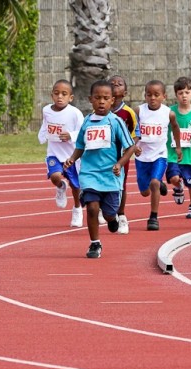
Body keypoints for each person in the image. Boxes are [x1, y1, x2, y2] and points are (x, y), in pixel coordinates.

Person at [63, 80, 135, 258]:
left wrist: (119, 164)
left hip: (110, 176)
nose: (101, 102)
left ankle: (113, 218)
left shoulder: (116, 122)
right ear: (90, 99)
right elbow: (80, 146)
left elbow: (130, 147)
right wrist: (72, 158)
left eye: (105, 98)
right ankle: (95, 243)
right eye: (97, 98)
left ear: (112, 100)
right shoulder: (87, 122)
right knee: (92, 208)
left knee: (109, 214)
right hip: (89, 173)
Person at [134, 80, 182, 231]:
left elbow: (175, 128)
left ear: (164, 96)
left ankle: (153, 218)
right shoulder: (139, 111)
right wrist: (133, 146)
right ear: (145, 96)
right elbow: (130, 129)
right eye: (149, 95)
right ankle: (160, 184)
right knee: (144, 192)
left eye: (156, 95)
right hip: (142, 156)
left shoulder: (168, 113)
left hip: (159, 155)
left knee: (154, 183)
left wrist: (178, 147)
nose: (152, 98)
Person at [37, 79, 85, 227]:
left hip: (71, 156)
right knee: (55, 176)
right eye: (56, 93)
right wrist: (42, 135)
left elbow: (83, 131)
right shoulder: (46, 110)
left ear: (70, 97)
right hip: (54, 153)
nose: (60, 97)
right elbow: (46, 125)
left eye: (64, 94)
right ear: (52, 95)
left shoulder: (75, 113)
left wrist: (71, 135)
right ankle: (60, 187)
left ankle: (77, 208)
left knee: (75, 186)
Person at [166, 77, 191, 219]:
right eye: (180, 93)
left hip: (189, 156)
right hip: (172, 154)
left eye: (187, 92)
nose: (184, 96)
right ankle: (178, 186)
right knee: (174, 177)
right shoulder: (169, 112)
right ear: (176, 95)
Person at [109, 75, 139, 234]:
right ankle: (104, 209)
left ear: (125, 93)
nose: (115, 85)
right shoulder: (100, 111)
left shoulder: (128, 112)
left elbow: (136, 133)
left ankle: (121, 215)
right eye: (112, 83)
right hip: (103, 156)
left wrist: (131, 148)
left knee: (121, 185)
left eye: (119, 84)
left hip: (121, 156)